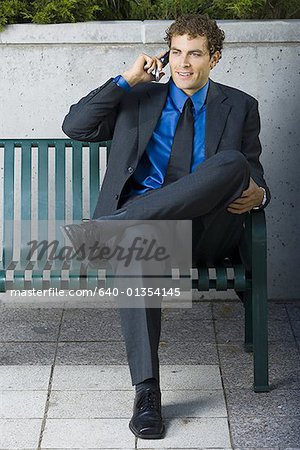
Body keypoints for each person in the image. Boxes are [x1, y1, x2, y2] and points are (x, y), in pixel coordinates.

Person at [61, 14, 271, 440]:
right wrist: (126, 80)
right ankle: (147, 393)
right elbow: (76, 127)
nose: (184, 64)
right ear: (166, 55)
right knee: (137, 245)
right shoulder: (139, 99)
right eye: (176, 52)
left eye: (195, 53)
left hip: (207, 231)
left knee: (231, 162)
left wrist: (262, 195)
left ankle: (111, 227)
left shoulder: (241, 105)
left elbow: (252, 172)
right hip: (149, 237)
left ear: (214, 57)